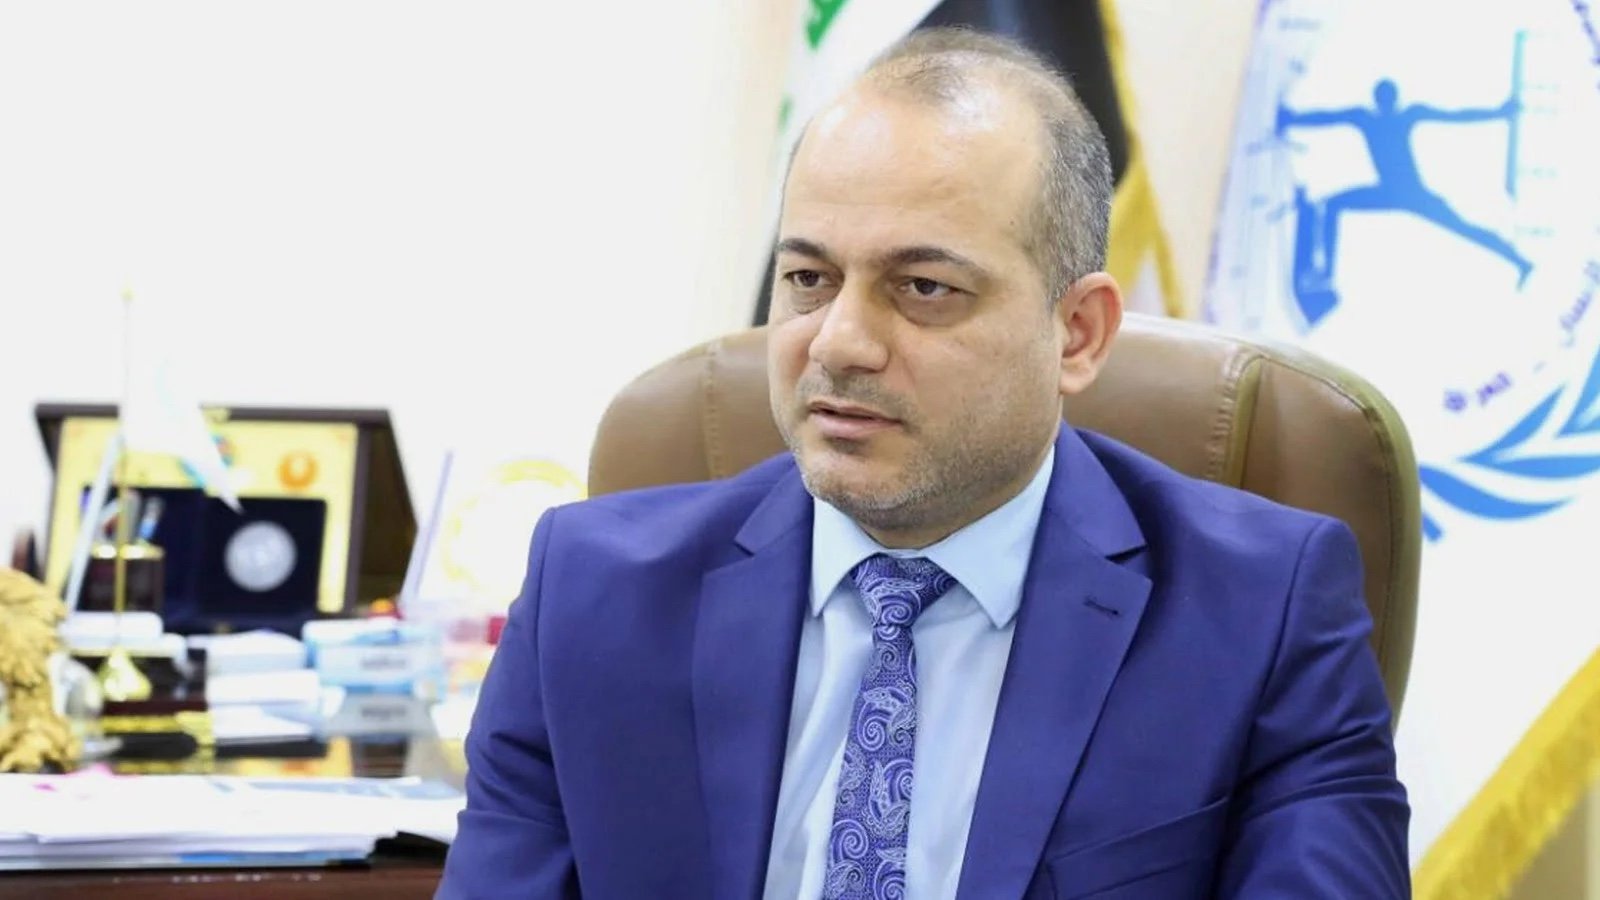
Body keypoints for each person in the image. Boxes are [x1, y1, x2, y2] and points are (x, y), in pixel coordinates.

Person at [437, 27, 1409, 900]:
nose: (839, 342)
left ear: (1076, 333)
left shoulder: (1260, 610)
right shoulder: (591, 593)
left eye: (924, 287)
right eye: (809, 278)